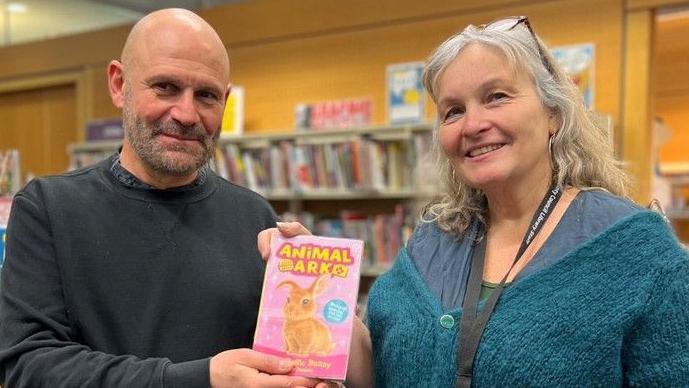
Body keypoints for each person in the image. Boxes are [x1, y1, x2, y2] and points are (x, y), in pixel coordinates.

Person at [261, 16, 689, 387]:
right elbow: (389, 368)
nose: (473, 124)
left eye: (496, 97)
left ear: (554, 114)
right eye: (452, 111)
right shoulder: (434, 241)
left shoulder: (638, 252)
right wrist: (319, 292)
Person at [0, 8, 332, 388]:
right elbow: (29, 367)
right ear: (118, 84)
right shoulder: (48, 209)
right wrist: (199, 379)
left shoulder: (252, 214)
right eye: (165, 87)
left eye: (206, 95)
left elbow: (280, 354)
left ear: (225, 100)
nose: (187, 114)